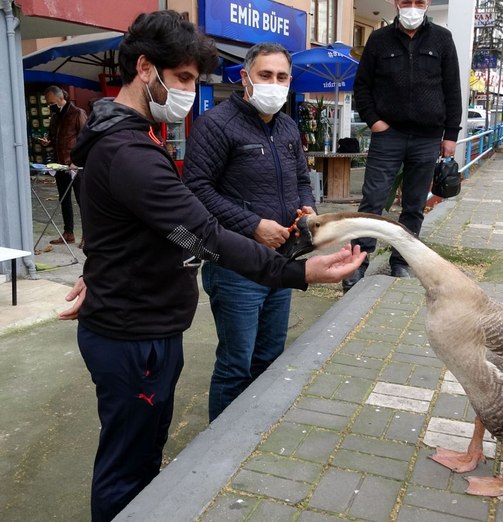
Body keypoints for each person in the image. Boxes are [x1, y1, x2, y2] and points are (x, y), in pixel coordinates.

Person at [59, 11, 364, 521]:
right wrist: (300, 272)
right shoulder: (131, 150)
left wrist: (101, 272)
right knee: (126, 467)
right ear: (144, 68)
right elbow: (201, 230)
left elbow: (156, 227)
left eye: (194, 81)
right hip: (133, 334)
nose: (186, 92)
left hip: (143, 322)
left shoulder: (133, 137)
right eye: (181, 79)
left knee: (142, 456)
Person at [184, 43, 314, 422]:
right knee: (235, 363)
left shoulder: (288, 126)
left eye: (281, 77)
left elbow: (302, 180)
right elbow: (196, 190)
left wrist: (308, 208)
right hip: (235, 265)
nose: (274, 83)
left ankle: (253, 432)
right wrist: (252, 225)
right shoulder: (215, 125)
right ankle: (218, 445)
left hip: (282, 259)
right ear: (245, 78)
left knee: (271, 356)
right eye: (265, 75)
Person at [343, 0, 462, 291]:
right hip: (388, 135)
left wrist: (451, 135)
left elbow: (452, 89)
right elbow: (362, 86)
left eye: (418, 2)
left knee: (413, 206)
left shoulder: (442, 39)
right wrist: (374, 121)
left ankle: (401, 261)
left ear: (428, 3)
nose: (412, 7)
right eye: (406, 1)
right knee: (372, 202)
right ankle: (358, 262)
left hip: (427, 137)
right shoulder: (379, 40)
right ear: (396, 2)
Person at [38, 86, 87, 247]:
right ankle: (68, 232)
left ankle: (88, 235)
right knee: (64, 199)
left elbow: (85, 139)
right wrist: (48, 143)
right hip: (59, 164)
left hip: (75, 165)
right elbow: (54, 138)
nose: (49, 105)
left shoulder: (77, 113)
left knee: (82, 200)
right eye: (47, 103)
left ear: (61, 98)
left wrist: (77, 160)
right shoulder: (55, 116)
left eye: (51, 102)